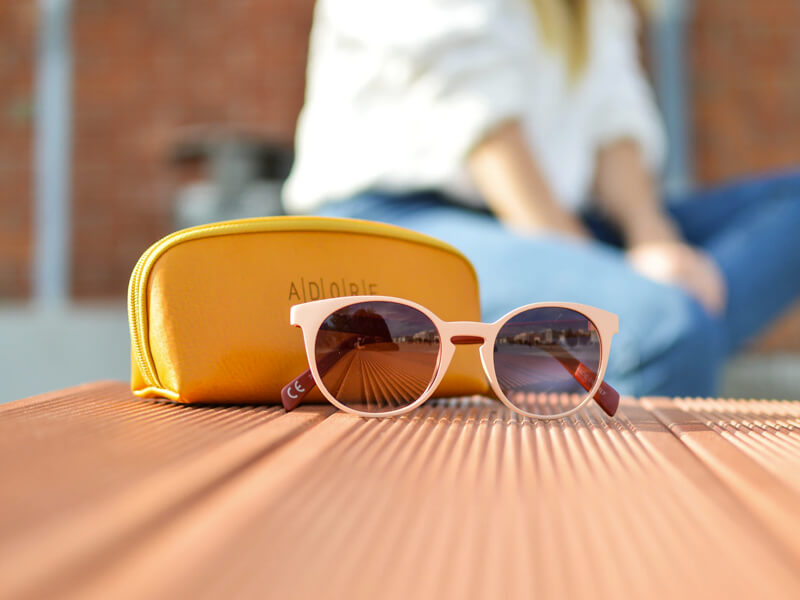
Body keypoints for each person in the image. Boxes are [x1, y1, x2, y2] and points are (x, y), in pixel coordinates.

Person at [282, 0, 800, 397]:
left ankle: (562, 362)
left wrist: (653, 240)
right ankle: (621, 358)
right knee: (667, 332)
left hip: (565, 219)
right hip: (402, 222)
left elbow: (614, 117)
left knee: (769, 228)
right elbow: (483, 126)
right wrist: (600, 282)